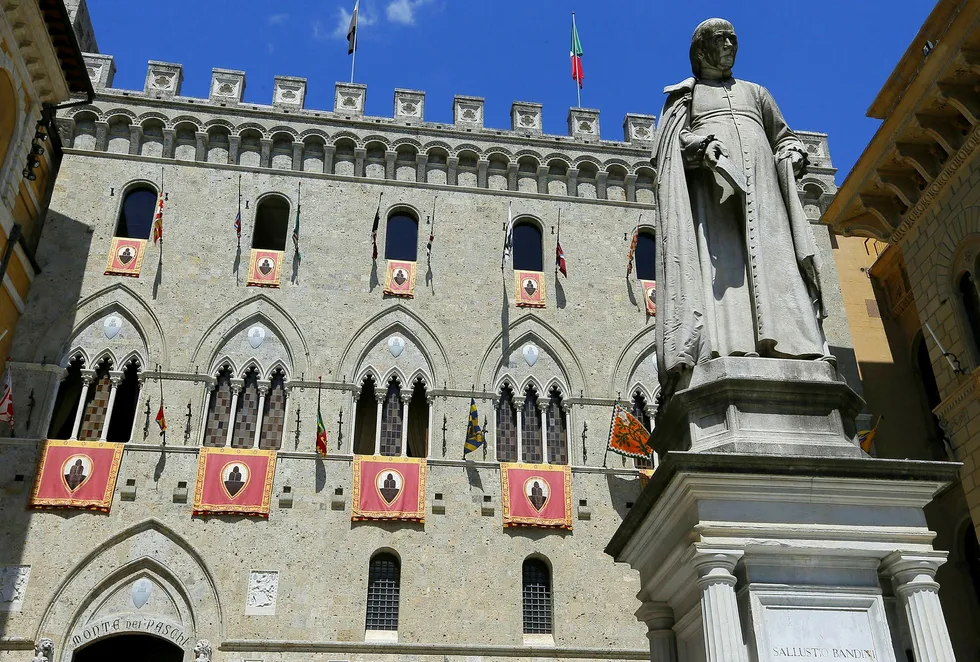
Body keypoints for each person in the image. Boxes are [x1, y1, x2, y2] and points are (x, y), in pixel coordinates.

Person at [653, 18, 829, 396]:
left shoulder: (757, 93)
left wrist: (792, 153)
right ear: (702, 50)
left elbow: (784, 136)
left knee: (775, 262)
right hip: (714, 195)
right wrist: (699, 147)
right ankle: (731, 346)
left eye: (734, 38)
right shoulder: (687, 96)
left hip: (764, 193)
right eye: (722, 39)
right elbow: (668, 150)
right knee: (726, 268)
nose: (731, 44)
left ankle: (798, 346)